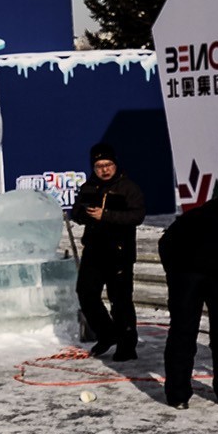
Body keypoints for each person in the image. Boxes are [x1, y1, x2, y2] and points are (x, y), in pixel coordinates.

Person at [69, 143, 146, 361]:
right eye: (99, 166)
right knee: (86, 293)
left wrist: (106, 215)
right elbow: (76, 212)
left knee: (120, 301)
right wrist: (83, 214)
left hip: (119, 253)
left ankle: (127, 345)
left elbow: (137, 216)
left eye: (108, 164)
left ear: (115, 164)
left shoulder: (128, 187)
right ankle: (107, 333)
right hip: (94, 251)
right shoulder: (88, 186)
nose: (104, 169)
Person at [158, 197, 218, 408]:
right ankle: (178, 394)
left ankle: (178, 396)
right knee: (184, 335)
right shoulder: (201, 218)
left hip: (184, 276)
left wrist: (173, 274)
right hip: (193, 275)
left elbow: (164, 243)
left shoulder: (194, 215)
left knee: (181, 334)